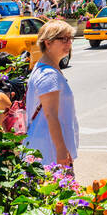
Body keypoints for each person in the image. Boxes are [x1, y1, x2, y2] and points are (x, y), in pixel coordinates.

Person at [24, 19, 78, 168]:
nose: (69, 43)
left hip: (46, 145)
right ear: (48, 43)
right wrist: (60, 150)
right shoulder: (48, 74)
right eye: (64, 39)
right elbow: (51, 115)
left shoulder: (47, 68)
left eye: (70, 39)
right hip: (48, 149)